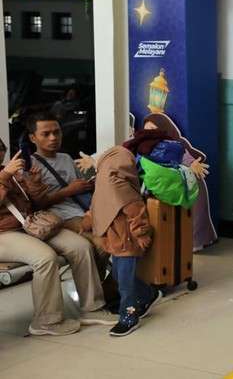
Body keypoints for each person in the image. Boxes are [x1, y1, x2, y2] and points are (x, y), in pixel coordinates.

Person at [0, 138, 116, 336]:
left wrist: (35, 184)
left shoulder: (10, 172)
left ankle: (92, 308)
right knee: (45, 258)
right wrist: (4, 176)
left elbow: (36, 204)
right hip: (5, 233)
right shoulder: (6, 173)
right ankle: (45, 321)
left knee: (81, 247)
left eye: (1, 150)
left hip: (30, 226)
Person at [26, 112, 116, 298]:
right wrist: (69, 190)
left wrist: (89, 184)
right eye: (46, 134)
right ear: (33, 138)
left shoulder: (66, 158)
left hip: (81, 211)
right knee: (102, 243)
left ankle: (102, 288)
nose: (53, 138)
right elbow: (35, 204)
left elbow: (80, 188)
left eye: (57, 132)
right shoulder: (29, 166)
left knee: (121, 233)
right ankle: (96, 291)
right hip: (57, 217)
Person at [85, 146, 162, 337]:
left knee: (125, 285)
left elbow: (137, 213)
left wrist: (142, 234)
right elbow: (98, 208)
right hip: (115, 241)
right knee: (119, 277)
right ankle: (149, 295)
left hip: (128, 241)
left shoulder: (121, 188)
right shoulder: (104, 184)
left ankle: (128, 317)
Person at [141, 113, 217, 251]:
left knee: (191, 217)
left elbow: (184, 155)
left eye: (153, 129)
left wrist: (193, 164)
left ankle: (194, 241)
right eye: (147, 131)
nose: (150, 134)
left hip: (184, 186)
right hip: (165, 186)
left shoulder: (173, 145)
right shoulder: (146, 147)